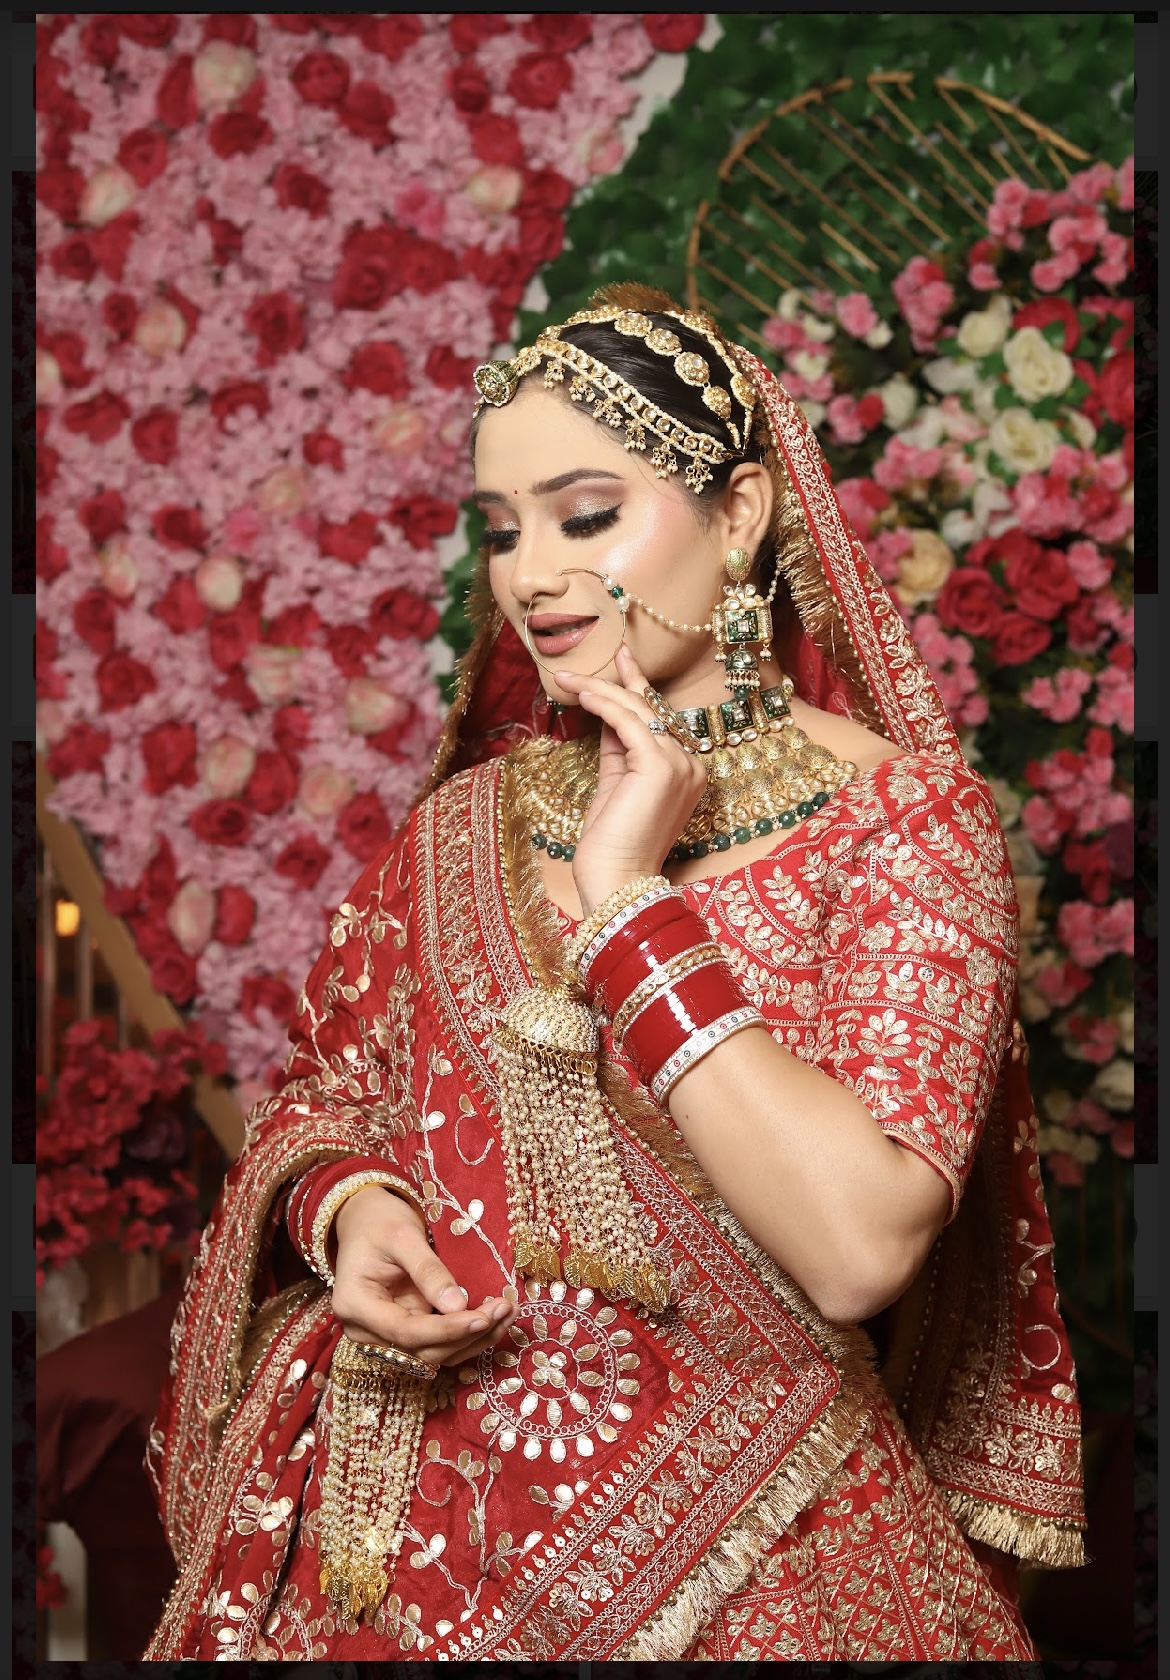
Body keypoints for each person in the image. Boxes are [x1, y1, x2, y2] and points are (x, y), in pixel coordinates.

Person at [145, 285, 1085, 1662]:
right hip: (396, 1557)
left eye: (586, 516)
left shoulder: (898, 824)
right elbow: (327, 1096)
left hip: (757, 1550)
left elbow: (857, 1247)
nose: (530, 575)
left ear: (741, 515)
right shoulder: (463, 827)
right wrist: (354, 1213)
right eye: (501, 529)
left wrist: (629, 902)